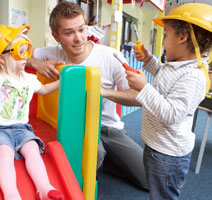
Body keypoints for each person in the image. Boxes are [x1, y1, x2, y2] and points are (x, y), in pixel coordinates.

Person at [27, 1, 148, 191]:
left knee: (148, 180)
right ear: (56, 36)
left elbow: (139, 97)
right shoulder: (50, 53)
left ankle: (107, 160)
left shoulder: (111, 56)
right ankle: (99, 160)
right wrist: (35, 63)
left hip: (108, 127)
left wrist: (103, 92)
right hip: (76, 127)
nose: (78, 38)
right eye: (68, 33)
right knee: (92, 158)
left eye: (81, 29)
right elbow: (11, 53)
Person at [125, 3, 212, 200]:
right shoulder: (176, 66)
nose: (163, 42)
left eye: (165, 35)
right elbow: (164, 78)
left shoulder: (194, 76)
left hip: (168, 155)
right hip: (157, 146)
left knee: (163, 196)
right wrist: (149, 61)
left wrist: (144, 87)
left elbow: (171, 114)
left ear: (182, 38)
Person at [0, 25, 64, 200]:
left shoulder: (29, 79)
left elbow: (45, 89)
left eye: (28, 51)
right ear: (2, 58)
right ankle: (11, 194)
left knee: (32, 149)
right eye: (20, 52)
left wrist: (65, 79)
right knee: (5, 153)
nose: (27, 57)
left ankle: (44, 188)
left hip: (22, 128)